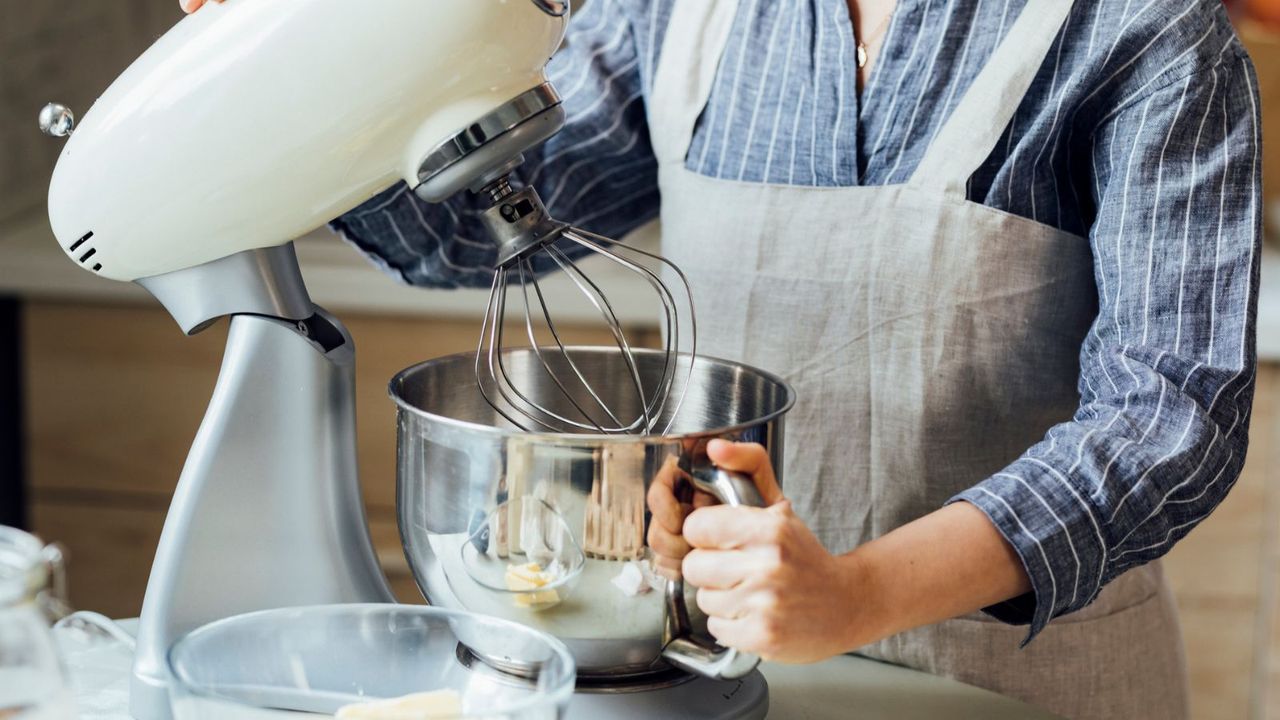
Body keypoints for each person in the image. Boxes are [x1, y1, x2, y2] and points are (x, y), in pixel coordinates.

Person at [184, 0, 1262, 717]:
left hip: (1024, 686)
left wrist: (856, 592)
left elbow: (1167, 414)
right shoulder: (678, 8)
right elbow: (465, 229)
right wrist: (300, 87)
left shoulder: (1145, 34)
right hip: (716, 681)